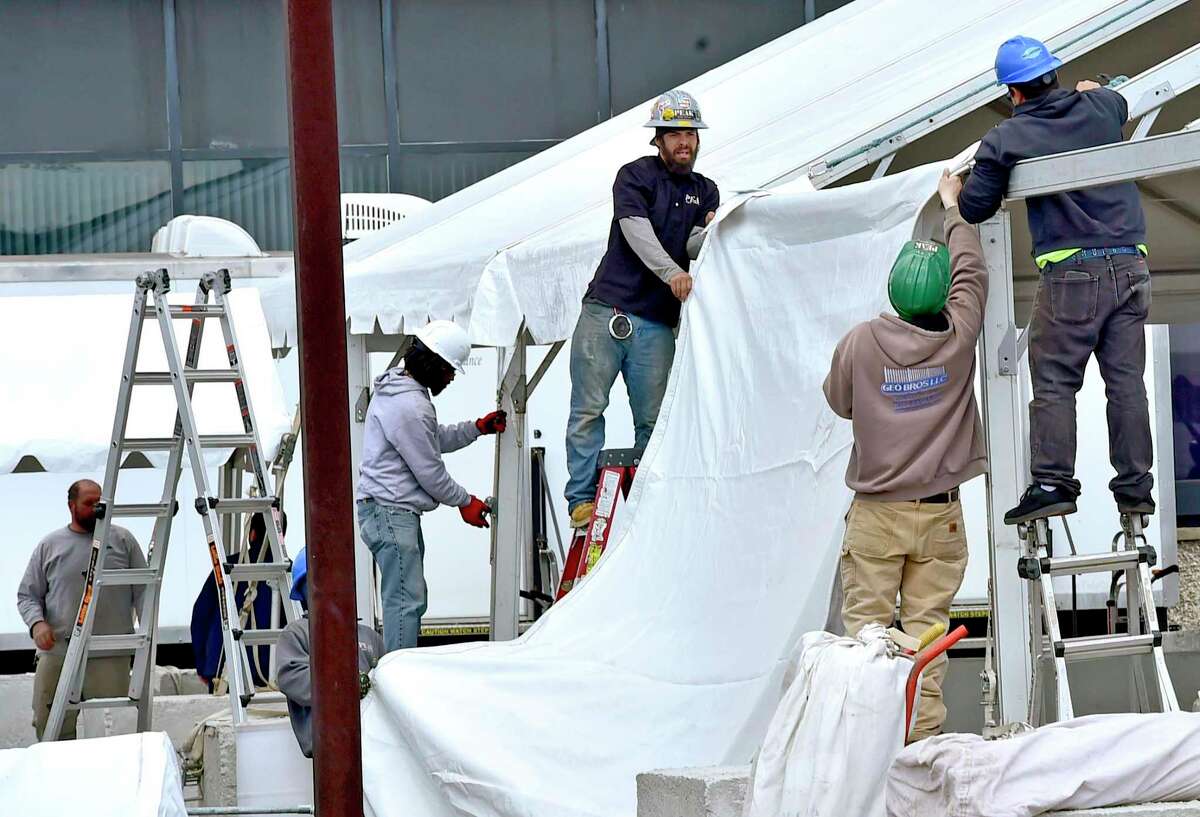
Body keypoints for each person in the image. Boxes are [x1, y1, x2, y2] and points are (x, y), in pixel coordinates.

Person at [957, 35, 1152, 524]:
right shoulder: (1100, 107)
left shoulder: (1006, 137)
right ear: (1054, 74)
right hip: (1132, 264)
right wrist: (1093, 90)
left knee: (1055, 382)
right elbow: (1120, 96)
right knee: (1126, 384)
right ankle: (1136, 490)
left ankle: (1052, 484)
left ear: (1013, 93)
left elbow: (975, 206)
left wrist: (955, 188)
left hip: (1072, 273)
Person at [823, 171, 988, 741]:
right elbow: (973, 271)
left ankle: (867, 757)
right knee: (926, 641)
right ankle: (921, 755)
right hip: (939, 517)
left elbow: (839, 403)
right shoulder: (959, 334)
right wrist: (952, 208)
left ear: (893, 288)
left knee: (866, 644)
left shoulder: (861, 341)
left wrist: (884, 394)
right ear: (944, 295)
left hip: (876, 515)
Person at [565, 88, 720, 527]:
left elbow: (695, 245)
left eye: (689, 134)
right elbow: (636, 232)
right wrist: (673, 273)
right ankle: (580, 500)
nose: (683, 142)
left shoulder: (705, 191)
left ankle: (651, 503)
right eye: (674, 134)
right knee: (588, 410)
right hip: (606, 310)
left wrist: (717, 229)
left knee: (654, 419)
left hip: (655, 321)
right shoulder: (634, 176)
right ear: (658, 139)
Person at [356, 319, 505, 652]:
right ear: (433, 363)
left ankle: (398, 672)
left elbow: (430, 440)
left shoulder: (401, 391)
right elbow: (430, 472)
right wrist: (465, 501)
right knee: (406, 601)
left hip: (390, 512)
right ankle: (398, 680)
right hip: (391, 512)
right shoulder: (411, 406)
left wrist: (476, 428)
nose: (451, 378)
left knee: (407, 598)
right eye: (450, 370)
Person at [16, 479, 147, 740]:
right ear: (71, 506)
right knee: (50, 726)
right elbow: (27, 595)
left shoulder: (123, 540)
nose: (97, 508)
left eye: (100, 502)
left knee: (114, 731)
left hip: (109, 653)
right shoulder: (50, 545)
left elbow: (144, 592)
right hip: (59, 653)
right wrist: (37, 624)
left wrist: (146, 640)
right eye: (89, 503)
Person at [276, 549, 385, 759]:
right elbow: (291, 676)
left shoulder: (368, 637)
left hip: (373, 744)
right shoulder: (299, 634)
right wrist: (345, 685)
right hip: (329, 749)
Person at [190, 511, 287, 691]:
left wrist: (204, 665)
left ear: (252, 534)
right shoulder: (287, 575)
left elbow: (200, 616)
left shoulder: (227, 569)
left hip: (225, 670)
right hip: (273, 675)